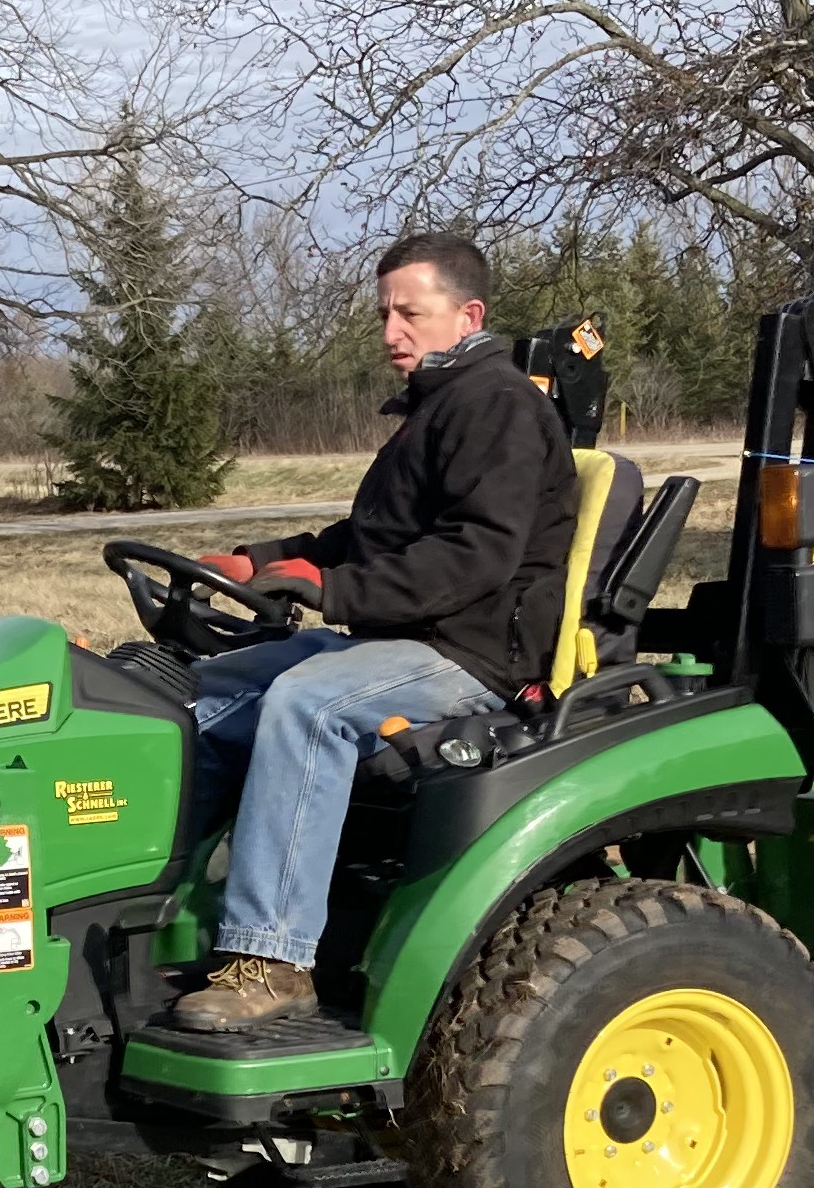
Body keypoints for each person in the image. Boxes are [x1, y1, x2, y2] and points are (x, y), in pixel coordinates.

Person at [169, 231, 575, 1033]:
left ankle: (272, 958)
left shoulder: (495, 407)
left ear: (468, 314)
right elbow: (368, 537)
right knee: (203, 694)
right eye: (384, 312)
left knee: (307, 704)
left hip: (472, 651)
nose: (391, 330)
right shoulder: (436, 410)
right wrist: (263, 563)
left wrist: (335, 591)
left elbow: (478, 555)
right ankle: (155, 910)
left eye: (409, 313)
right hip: (403, 636)